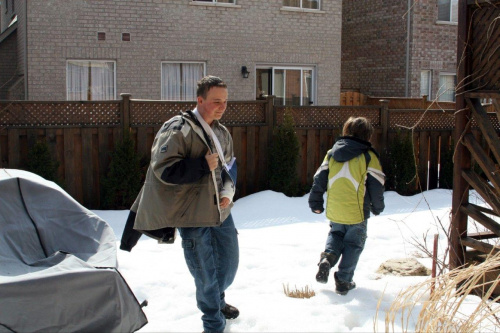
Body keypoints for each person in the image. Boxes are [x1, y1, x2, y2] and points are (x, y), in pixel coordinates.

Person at [124, 76, 239, 333]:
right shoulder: (178, 128)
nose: (222, 106)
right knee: (206, 275)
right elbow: (163, 169)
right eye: (216, 101)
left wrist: (228, 193)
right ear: (200, 100)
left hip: (221, 212)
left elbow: (230, 166)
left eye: (225, 101)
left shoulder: (221, 132)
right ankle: (212, 324)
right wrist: (201, 165)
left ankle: (218, 301)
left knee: (228, 266)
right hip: (191, 215)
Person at [308, 116, 385, 295]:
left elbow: (319, 178)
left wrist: (316, 201)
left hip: (335, 209)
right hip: (357, 212)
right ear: (368, 136)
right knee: (354, 245)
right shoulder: (368, 156)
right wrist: (377, 206)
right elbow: (377, 184)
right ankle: (344, 280)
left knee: (336, 234)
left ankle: (327, 258)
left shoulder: (331, 153)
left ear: (346, 132)